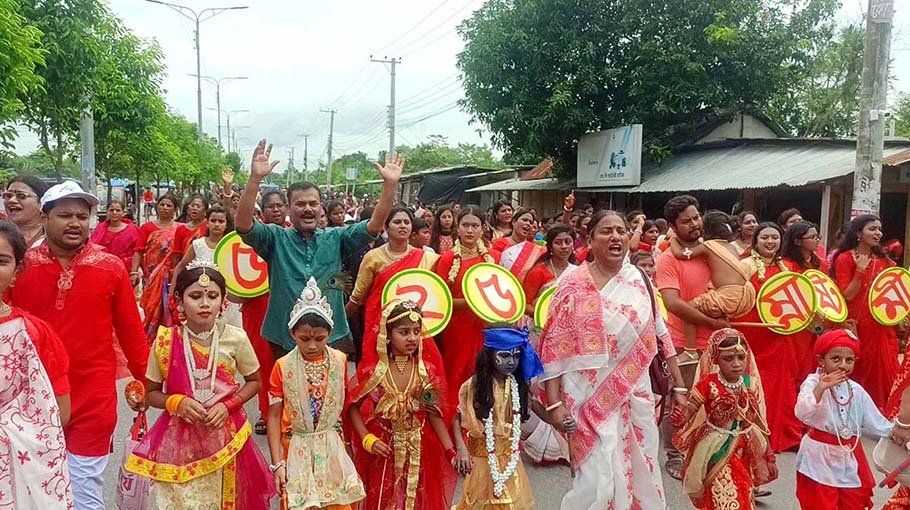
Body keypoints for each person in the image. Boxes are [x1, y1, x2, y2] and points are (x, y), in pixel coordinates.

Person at [11, 181, 148, 510]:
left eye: (82, 216)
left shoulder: (111, 267)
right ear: (44, 218)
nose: (75, 222)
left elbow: (131, 332)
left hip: (93, 398)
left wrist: (147, 383)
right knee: (35, 486)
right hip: (32, 397)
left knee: (84, 488)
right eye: (64, 215)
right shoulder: (20, 268)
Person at [539, 210, 684, 508]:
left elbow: (660, 333)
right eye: (606, 231)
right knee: (593, 479)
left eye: (621, 230)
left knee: (640, 471)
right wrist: (554, 403)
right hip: (584, 396)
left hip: (635, 394)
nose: (616, 236)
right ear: (590, 240)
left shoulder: (639, 279)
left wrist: (679, 386)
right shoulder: (570, 285)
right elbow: (554, 345)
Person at [236, 139, 403, 363]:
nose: (308, 209)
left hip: (333, 337)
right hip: (285, 338)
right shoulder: (275, 238)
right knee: (290, 396)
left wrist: (390, 186)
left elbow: (373, 226)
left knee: (333, 397)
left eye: (313, 204)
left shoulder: (337, 237)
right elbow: (244, 225)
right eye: (300, 204)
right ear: (289, 209)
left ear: (320, 207)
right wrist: (255, 180)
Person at [126, 261, 274, 509]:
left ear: (223, 299)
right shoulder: (165, 341)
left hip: (226, 435)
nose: (205, 303)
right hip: (178, 439)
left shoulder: (235, 338)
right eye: (195, 296)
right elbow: (151, 393)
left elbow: (255, 382)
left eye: (212, 296)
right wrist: (176, 401)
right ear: (179, 300)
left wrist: (228, 406)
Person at [347, 300, 458, 509]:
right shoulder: (375, 372)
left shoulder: (426, 372)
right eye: (404, 332)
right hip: (384, 452)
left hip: (419, 452)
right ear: (387, 335)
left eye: (416, 331)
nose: (412, 338)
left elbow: (433, 415)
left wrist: (450, 451)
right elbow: (352, 406)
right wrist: (367, 439)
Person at [266, 277, 365, 509]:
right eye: (304, 339)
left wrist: (350, 448)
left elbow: (345, 408)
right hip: (295, 447)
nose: (312, 346)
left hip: (332, 446)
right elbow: (273, 416)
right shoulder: (282, 366)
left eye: (319, 339)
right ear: (292, 334)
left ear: (330, 333)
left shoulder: (340, 361)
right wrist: (277, 463)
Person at [0, 220, 74, 509]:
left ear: (17, 271)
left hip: (20, 472)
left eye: (2, 260)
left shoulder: (32, 333)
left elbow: (59, 412)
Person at [656, 195, 728, 480]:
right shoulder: (667, 259)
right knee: (678, 400)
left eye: (696, 217)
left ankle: (716, 456)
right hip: (680, 343)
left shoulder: (713, 252)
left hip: (718, 341)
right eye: (686, 221)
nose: (695, 224)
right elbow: (673, 304)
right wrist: (712, 321)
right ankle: (675, 454)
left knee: (720, 401)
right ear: (673, 225)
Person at [672, 329, 777, 509]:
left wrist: (768, 453)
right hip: (715, 448)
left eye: (741, 358)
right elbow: (690, 412)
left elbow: (758, 421)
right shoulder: (708, 384)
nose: (736, 364)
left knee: (744, 491)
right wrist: (680, 417)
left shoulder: (750, 384)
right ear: (715, 359)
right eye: (728, 359)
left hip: (745, 447)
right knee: (725, 494)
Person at [794, 329, 893, 510]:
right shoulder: (813, 383)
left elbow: (877, 423)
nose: (843, 365)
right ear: (821, 360)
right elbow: (802, 413)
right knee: (821, 504)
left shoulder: (855, 389)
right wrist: (821, 388)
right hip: (818, 458)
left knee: (853, 503)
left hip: (849, 456)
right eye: (836, 359)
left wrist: (900, 434)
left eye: (849, 360)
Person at [452, 326, 543, 509]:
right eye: (505, 356)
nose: (511, 362)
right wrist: (461, 449)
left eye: (516, 356)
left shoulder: (517, 385)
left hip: (510, 461)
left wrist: (560, 421)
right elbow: (456, 418)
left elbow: (541, 411)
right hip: (482, 462)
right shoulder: (474, 386)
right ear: (489, 355)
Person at [736, 222, 804, 454]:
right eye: (765, 237)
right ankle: (751, 434)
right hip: (754, 332)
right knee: (753, 382)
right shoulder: (744, 265)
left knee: (783, 382)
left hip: (781, 334)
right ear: (755, 240)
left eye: (775, 237)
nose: (770, 242)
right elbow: (734, 296)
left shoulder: (789, 266)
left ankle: (786, 434)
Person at [345, 207, 439, 366]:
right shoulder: (373, 257)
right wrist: (341, 321)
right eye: (397, 222)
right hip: (380, 326)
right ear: (386, 228)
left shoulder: (427, 259)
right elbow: (358, 296)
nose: (402, 226)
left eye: (406, 222)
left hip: (412, 329)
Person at [435, 206, 502, 406]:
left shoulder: (494, 258)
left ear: (483, 228)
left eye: (475, 226)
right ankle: (455, 424)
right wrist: (472, 302)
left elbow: (503, 297)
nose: (470, 231)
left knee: (484, 374)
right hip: (456, 329)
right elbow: (441, 300)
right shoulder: (447, 259)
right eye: (465, 225)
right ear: (458, 227)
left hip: (486, 328)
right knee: (456, 375)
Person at [831, 214, 896, 409]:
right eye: (873, 229)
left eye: (879, 229)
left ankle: (884, 411)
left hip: (881, 323)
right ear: (859, 233)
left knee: (886, 370)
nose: (878, 233)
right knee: (859, 368)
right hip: (857, 324)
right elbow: (848, 295)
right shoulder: (844, 258)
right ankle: (855, 410)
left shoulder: (884, 261)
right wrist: (860, 270)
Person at [668, 210, 754, 348]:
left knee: (688, 310)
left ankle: (690, 350)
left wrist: (673, 239)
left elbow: (681, 254)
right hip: (744, 297)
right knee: (709, 308)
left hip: (728, 295)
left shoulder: (708, 246)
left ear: (705, 231)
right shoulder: (732, 247)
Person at [242, 190, 288, 435]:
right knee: (262, 363)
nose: (276, 210)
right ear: (263, 210)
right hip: (257, 306)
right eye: (271, 206)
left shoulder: (297, 235)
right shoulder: (250, 237)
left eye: (280, 205)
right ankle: (266, 412)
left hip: (289, 305)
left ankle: (291, 412)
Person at [172, 205, 242, 327]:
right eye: (213, 220)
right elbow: (181, 266)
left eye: (221, 221)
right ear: (207, 222)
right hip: (202, 296)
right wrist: (172, 290)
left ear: (226, 224)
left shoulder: (232, 245)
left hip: (229, 297)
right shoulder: (198, 245)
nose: (217, 224)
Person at [781, 221, 828, 379]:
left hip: (817, 320)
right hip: (796, 321)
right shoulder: (786, 266)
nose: (817, 240)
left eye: (818, 236)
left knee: (813, 361)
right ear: (797, 241)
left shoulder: (821, 264)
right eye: (812, 237)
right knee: (796, 362)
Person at [134, 194, 180, 340]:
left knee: (172, 308)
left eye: (169, 205)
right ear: (156, 207)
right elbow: (139, 251)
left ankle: (170, 341)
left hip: (174, 277)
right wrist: (134, 271)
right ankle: (149, 341)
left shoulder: (181, 229)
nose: (165, 208)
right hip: (152, 277)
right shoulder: (147, 228)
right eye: (162, 205)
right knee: (151, 308)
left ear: (175, 209)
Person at [494, 208, 545, 284]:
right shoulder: (499, 244)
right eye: (524, 220)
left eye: (531, 222)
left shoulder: (535, 249)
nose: (528, 224)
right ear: (514, 222)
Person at [91, 199, 141, 269]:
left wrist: (134, 271)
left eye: (118, 210)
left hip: (125, 269)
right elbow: (92, 247)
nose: (114, 213)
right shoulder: (100, 228)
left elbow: (138, 252)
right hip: (102, 267)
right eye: (111, 210)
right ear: (107, 212)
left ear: (123, 213)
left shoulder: (132, 230)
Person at [4, 175, 50, 248]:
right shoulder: (2, 232)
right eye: (8, 196)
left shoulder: (54, 235)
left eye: (21, 196)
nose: (11, 200)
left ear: (41, 202)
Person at [172, 193, 208, 265]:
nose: (194, 208)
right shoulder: (181, 229)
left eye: (198, 206)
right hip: (186, 270)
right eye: (192, 205)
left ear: (205, 212)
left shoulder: (209, 227)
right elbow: (177, 254)